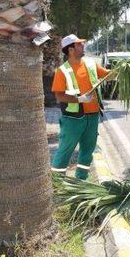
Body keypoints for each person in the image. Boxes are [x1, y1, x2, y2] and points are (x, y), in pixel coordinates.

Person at [50, 34, 113, 179]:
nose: (82, 46)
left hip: (92, 115)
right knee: (66, 150)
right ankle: (58, 182)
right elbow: (59, 96)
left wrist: (122, 70)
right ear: (70, 49)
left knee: (87, 150)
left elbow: (106, 75)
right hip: (73, 118)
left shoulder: (90, 64)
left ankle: (81, 182)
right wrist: (79, 99)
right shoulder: (63, 71)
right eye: (79, 44)